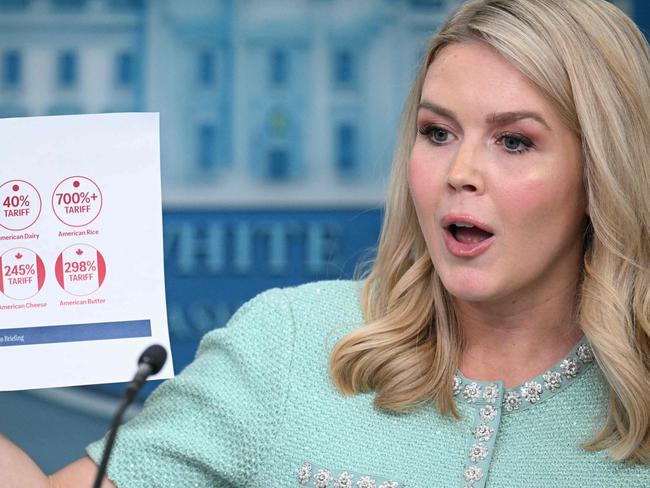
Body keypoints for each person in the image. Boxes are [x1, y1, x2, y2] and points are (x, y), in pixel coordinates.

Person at [2, 0, 649, 486]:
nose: (460, 173)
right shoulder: (288, 342)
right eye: (437, 132)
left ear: (602, 170)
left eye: (513, 141)